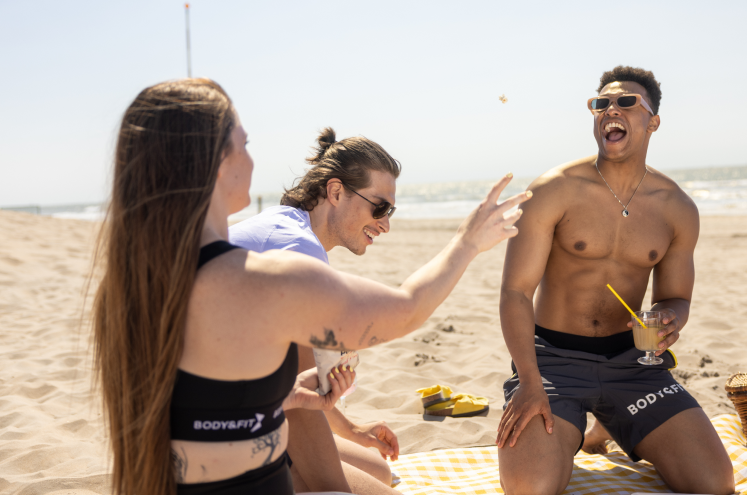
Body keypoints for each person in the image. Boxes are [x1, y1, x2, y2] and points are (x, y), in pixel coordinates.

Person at [91, 78, 529, 495]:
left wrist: (283, 398)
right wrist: (467, 241)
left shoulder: (153, 271)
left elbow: (200, 402)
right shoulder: (273, 273)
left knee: (377, 470)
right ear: (217, 163)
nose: (253, 159)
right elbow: (407, 309)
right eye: (245, 144)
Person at [496, 66, 734, 495]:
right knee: (530, 487)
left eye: (626, 102)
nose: (610, 110)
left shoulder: (676, 208)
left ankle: (608, 420)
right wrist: (530, 381)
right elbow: (515, 292)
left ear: (652, 122)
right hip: (552, 362)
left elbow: (676, 298)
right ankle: (577, 421)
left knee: (714, 483)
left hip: (633, 364)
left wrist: (669, 319)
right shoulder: (554, 190)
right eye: (600, 103)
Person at [229, 127, 402, 493]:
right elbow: (298, 398)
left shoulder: (287, 227)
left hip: (242, 401)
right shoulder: (298, 248)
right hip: (221, 426)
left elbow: (293, 382)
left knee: (379, 471)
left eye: (391, 211)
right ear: (335, 192)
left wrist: (353, 430)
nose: (386, 224)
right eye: (379, 208)